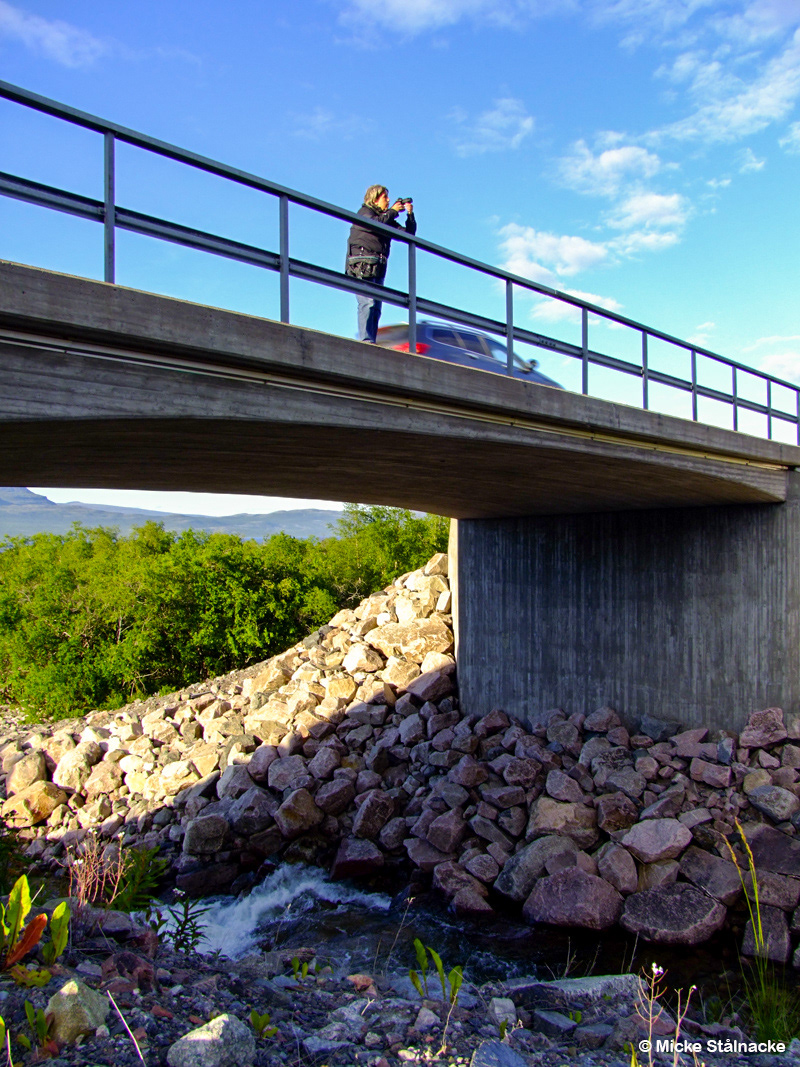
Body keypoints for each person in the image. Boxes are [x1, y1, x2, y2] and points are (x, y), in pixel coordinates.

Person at [346, 185, 416, 343]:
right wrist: (393, 211)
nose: (389, 200)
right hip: (362, 264)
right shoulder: (365, 212)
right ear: (375, 198)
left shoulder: (385, 218)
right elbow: (374, 223)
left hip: (378, 266)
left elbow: (408, 235)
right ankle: (366, 341)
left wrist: (410, 215)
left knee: (376, 307)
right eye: (385, 197)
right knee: (367, 303)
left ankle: (371, 340)